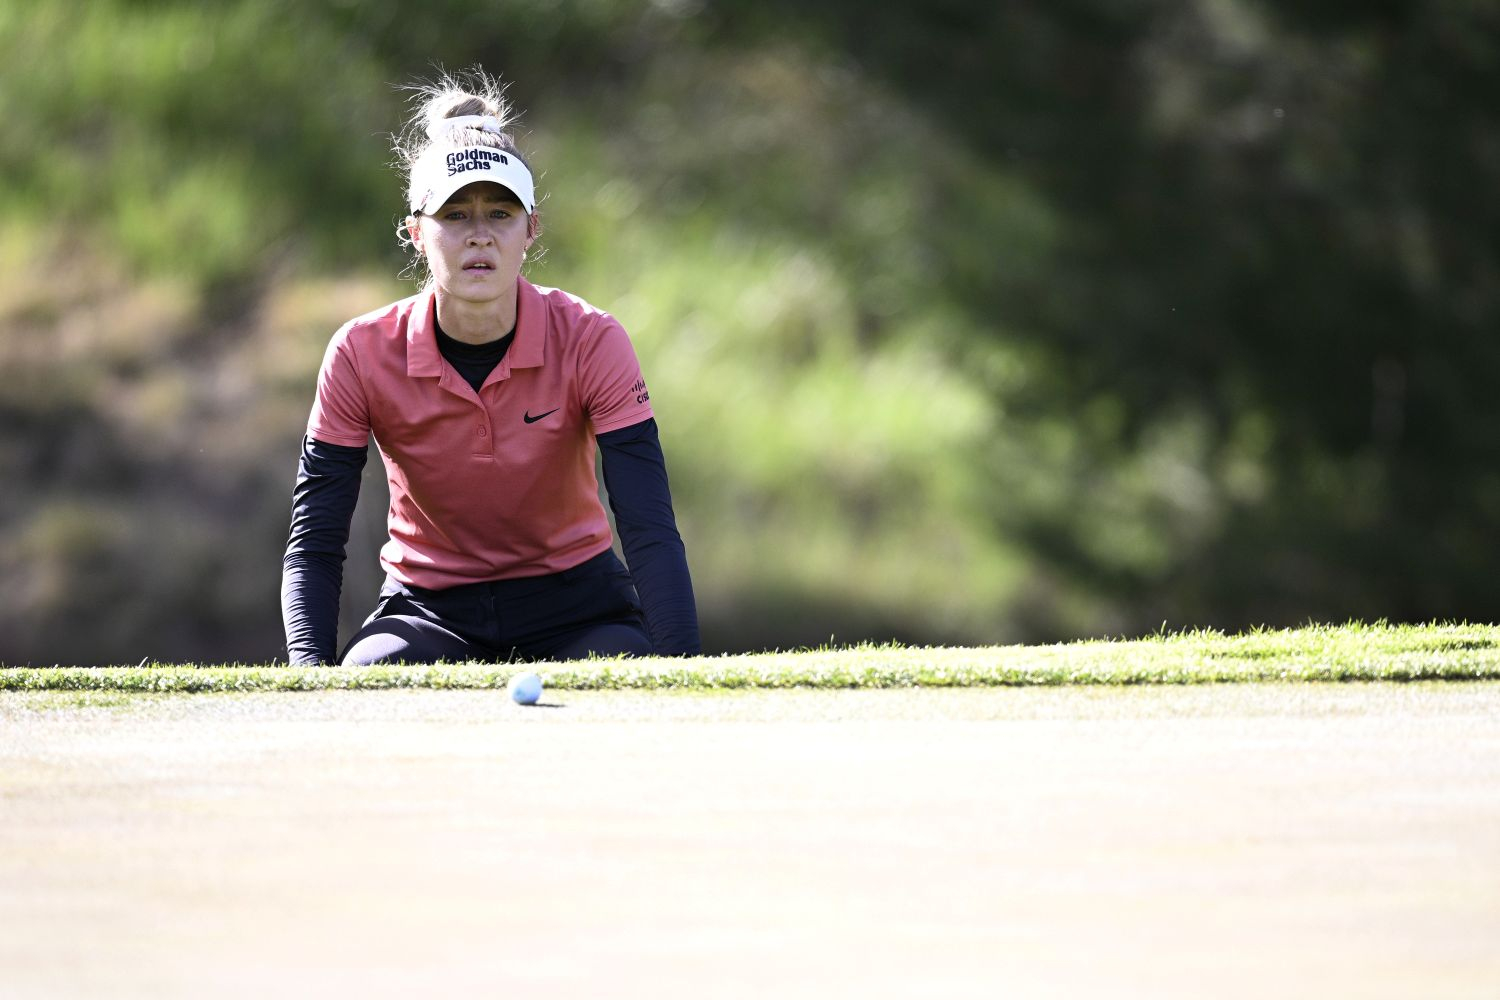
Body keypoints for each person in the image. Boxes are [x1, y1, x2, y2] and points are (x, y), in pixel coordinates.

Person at [281, 70, 699, 666]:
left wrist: (681, 673)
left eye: (500, 214)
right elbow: (315, 540)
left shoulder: (591, 338)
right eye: (455, 216)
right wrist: (309, 683)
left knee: (623, 670)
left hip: (579, 608)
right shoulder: (359, 351)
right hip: (429, 610)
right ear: (416, 234)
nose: (480, 236)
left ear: (531, 229)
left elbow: (649, 526)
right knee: (368, 677)